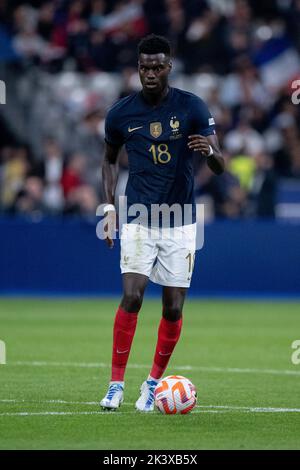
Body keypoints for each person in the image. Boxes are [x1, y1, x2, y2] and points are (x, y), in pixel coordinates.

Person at [100, 34, 224, 412]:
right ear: (137, 68)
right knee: (133, 296)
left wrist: (211, 152)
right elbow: (108, 159)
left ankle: (153, 384)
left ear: (169, 67)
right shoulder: (121, 113)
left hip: (181, 220)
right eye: (144, 67)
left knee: (172, 308)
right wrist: (108, 209)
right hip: (138, 215)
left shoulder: (192, 107)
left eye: (157, 67)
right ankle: (115, 385)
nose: (150, 73)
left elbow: (220, 164)